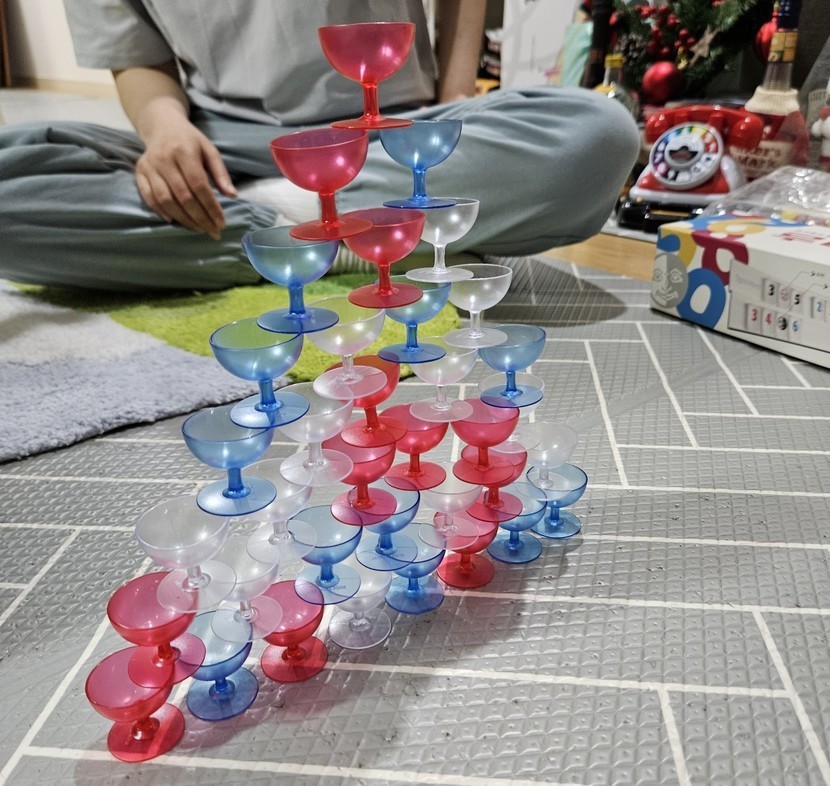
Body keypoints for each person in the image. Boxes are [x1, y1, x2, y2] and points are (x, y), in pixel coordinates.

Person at [0, 0, 640, 291]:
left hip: (394, 128)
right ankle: (378, 227)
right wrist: (165, 129)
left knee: (598, 132)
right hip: (221, 142)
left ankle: (289, 226)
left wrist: (452, 110)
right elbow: (135, 56)